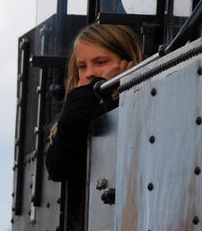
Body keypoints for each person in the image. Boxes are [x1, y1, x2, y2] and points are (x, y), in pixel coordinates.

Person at [46, 24, 143, 181]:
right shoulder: (79, 114)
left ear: (127, 63)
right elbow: (57, 169)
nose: (90, 73)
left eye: (101, 62)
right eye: (82, 66)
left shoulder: (134, 106)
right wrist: (95, 87)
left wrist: (98, 86)